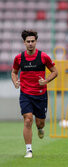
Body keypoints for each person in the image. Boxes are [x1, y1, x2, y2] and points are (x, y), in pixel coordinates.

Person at [11, 30, 58, 158]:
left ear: (36, 42)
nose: (30, 43)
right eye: (28, 41)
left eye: (32, 41)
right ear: (24, 43)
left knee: (39, 123)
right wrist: (15, 82)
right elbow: (14, 72)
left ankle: (40, 128)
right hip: (25, 94)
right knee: (27, 120)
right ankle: (29, 150)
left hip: (40, 95)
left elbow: (55, 71)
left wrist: (46, 80)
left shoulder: (43, 57)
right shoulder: (19, 58)